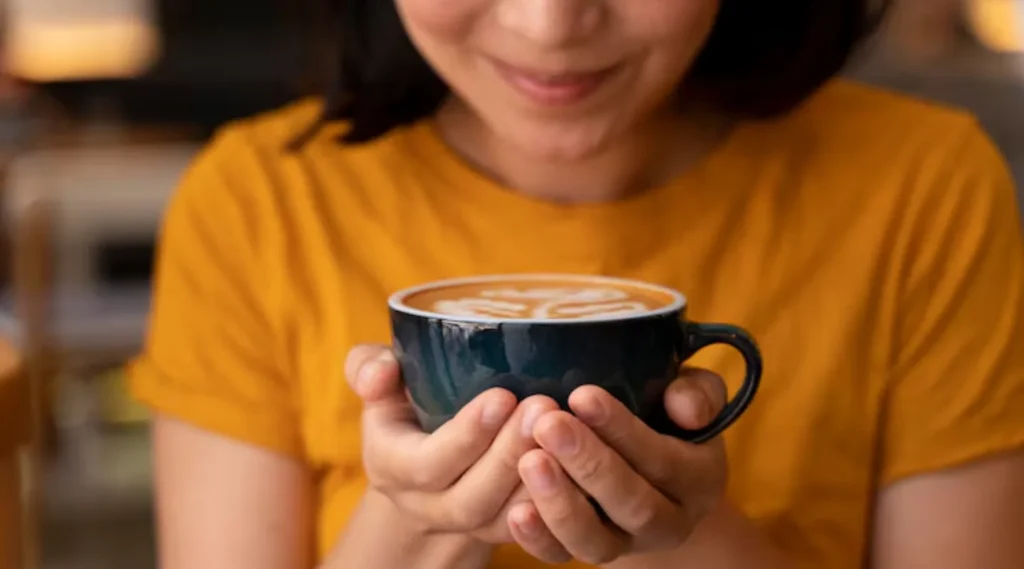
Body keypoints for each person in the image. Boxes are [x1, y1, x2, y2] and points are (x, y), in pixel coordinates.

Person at [128, 0, 1024, 568]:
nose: (549, 25)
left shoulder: (922, 188)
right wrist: (421, 518)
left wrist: (681, 530)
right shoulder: (255, 202)